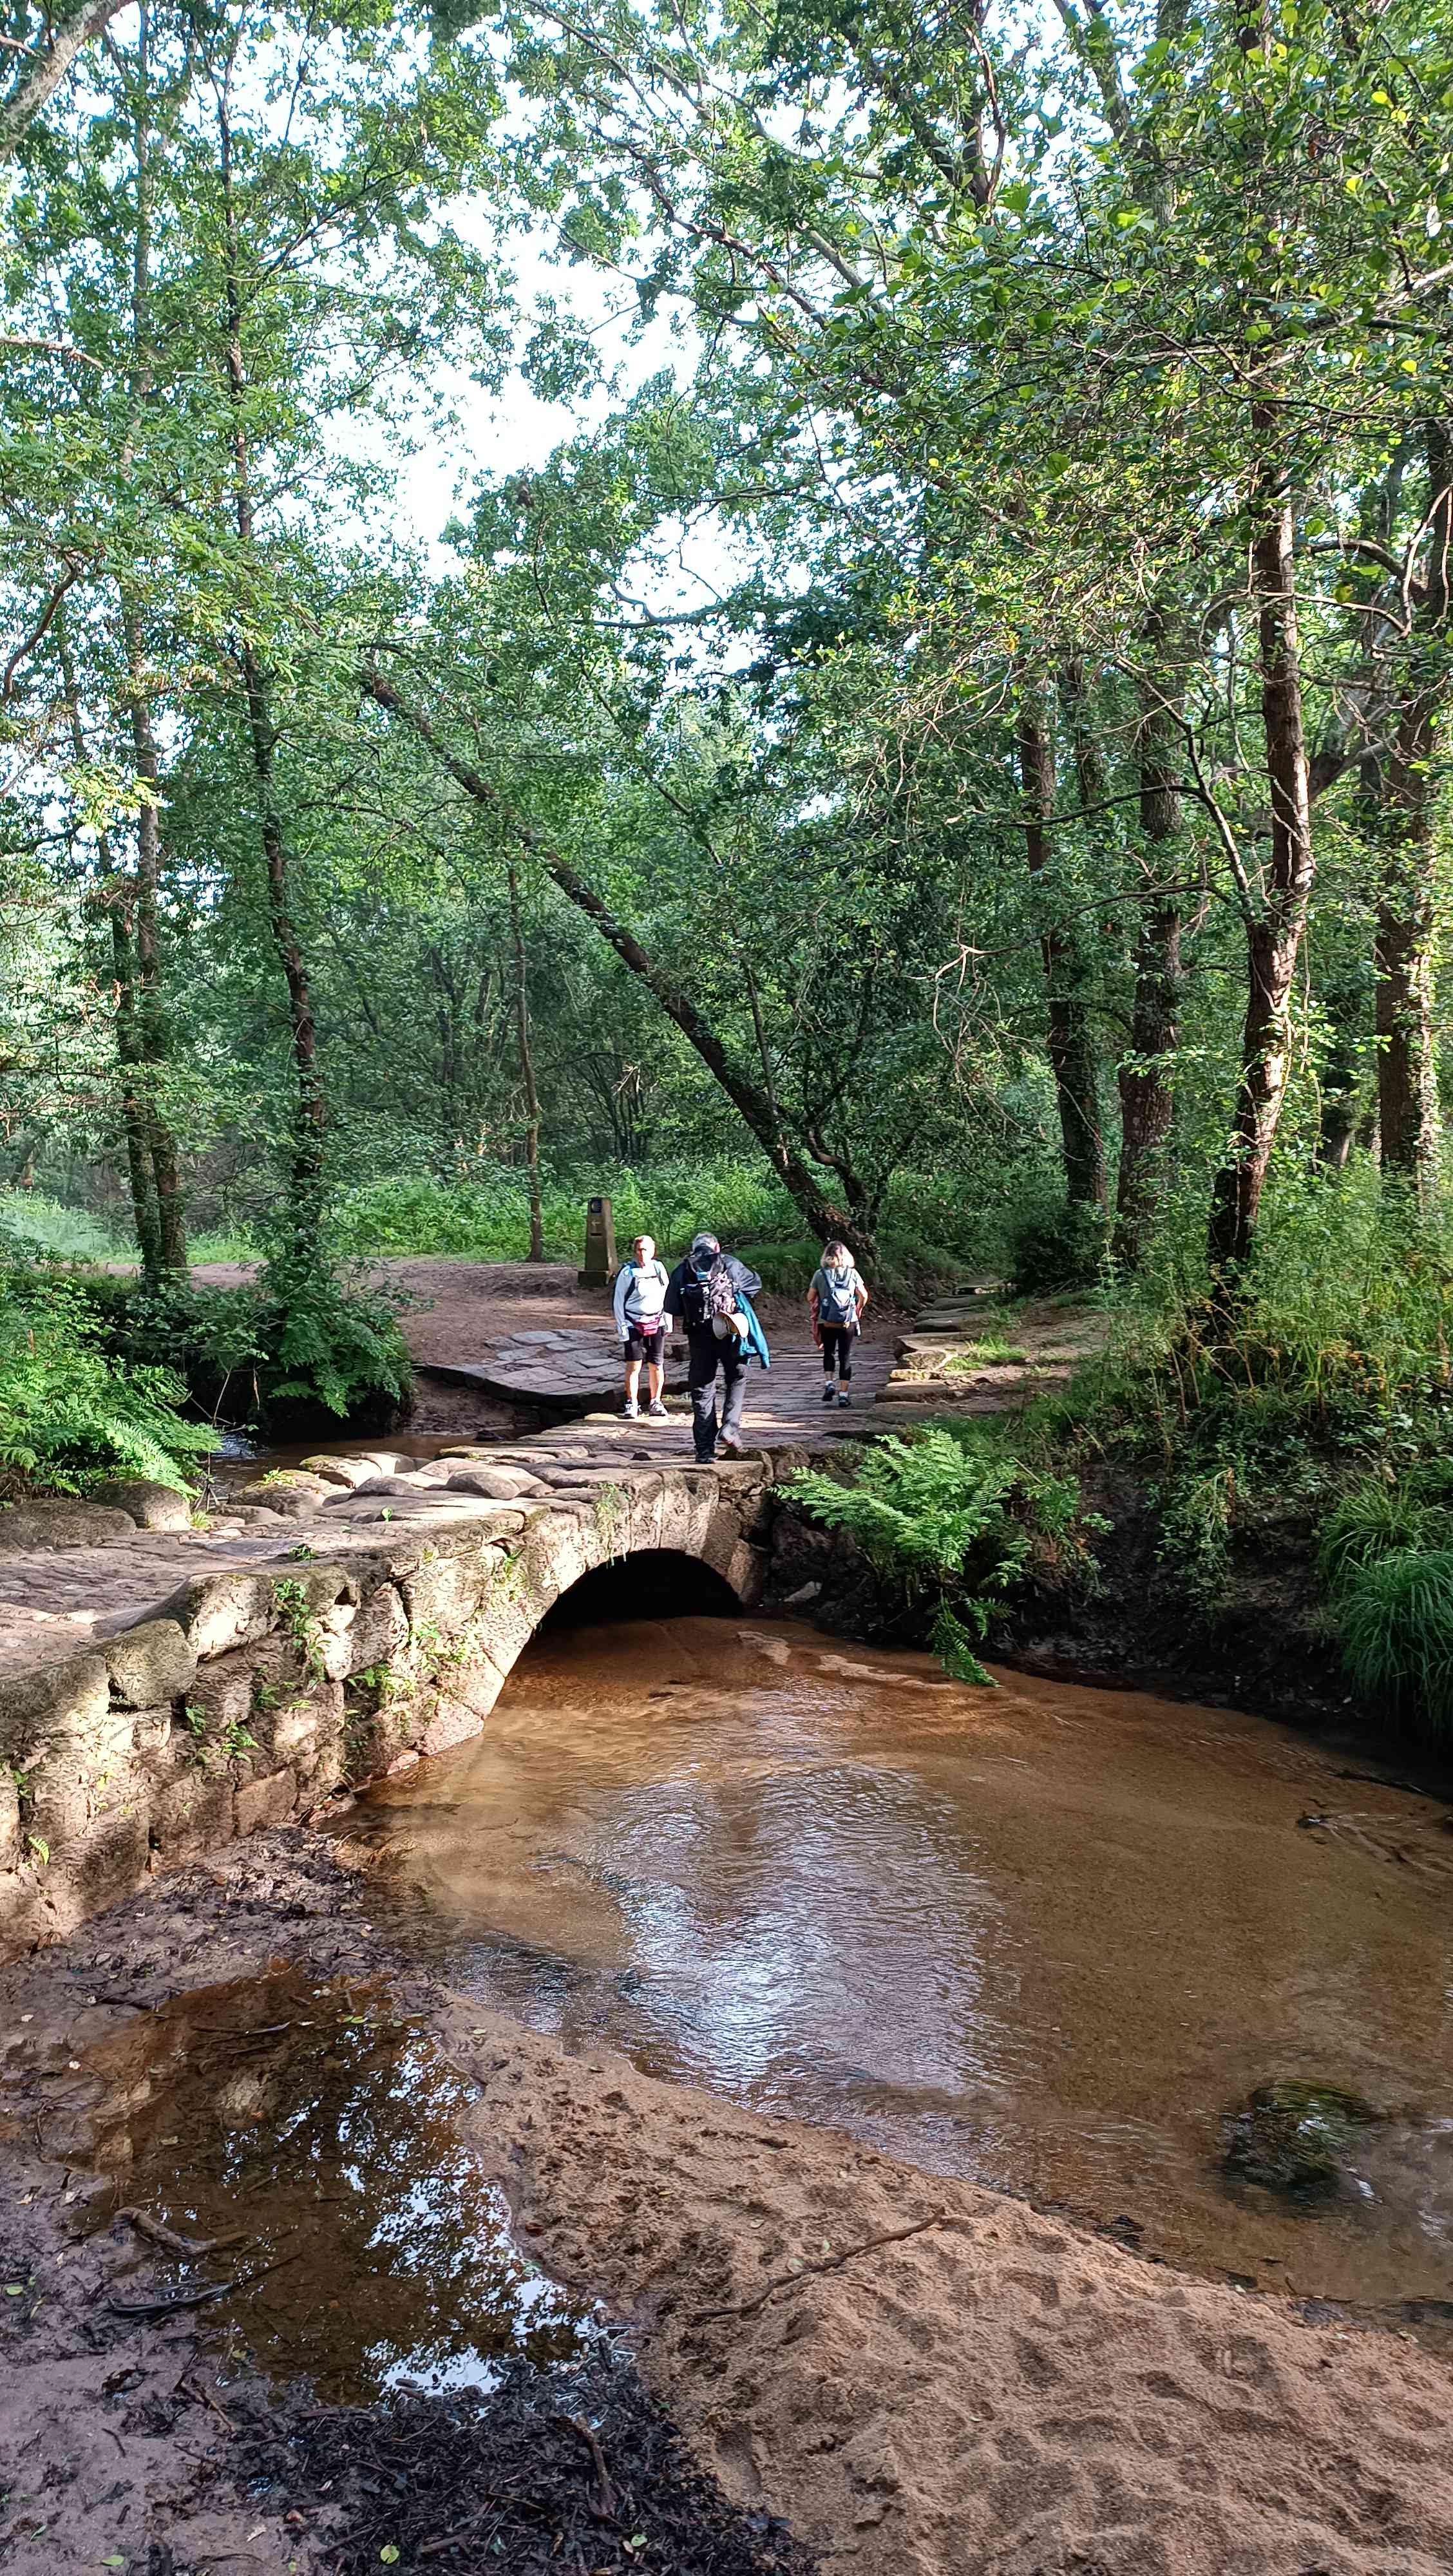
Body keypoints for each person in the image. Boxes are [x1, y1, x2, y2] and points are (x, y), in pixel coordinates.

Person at [663, 1231, 764, 1461]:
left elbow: (672, 1307)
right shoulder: (730, 1264)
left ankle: (704, 1451)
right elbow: (754, 1285)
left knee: (702, 1390)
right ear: (717, 1247)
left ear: (694, 1249)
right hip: (730, 1332)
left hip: (699, 1337)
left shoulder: (683, 1270)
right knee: (737, 1378)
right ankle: (730, 1428)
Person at [613, 1233, 672, 1419]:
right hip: (633, 1323)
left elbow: (667, 1295)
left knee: (657, 1364)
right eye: (639, 1250)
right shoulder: (627, 1272)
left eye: (645, 1250)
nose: (642, 1254)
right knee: (634, 1365)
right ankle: (632, 1403)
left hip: (657, 1322)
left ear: (653, 1251)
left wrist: (668, 1321)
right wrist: (622, 1327)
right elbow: (618, 1301)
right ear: (634, 1252)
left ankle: (656, 1402)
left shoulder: (659, 1269)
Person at [808, 1239, 868, 1406]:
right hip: (848, 1321)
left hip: (826, 1320)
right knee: (845, 1356)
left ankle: (829, 1384)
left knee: (828, 1353)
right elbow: (864, 1295)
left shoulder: (820, 1274)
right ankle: (843, 1395)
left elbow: (810, 1297)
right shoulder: (853, 1273)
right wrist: (858, 1309)